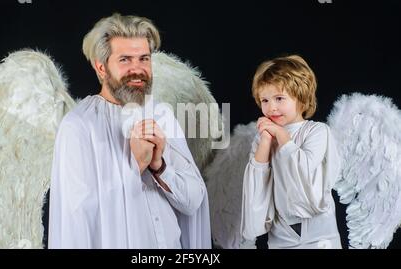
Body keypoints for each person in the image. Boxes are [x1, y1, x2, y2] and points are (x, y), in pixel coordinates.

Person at [48, 13, 211, 249]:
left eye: (144, 58)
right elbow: (78, 221)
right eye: (125, 60)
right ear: (101, 68)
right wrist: (135, 164)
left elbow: (194, 201)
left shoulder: (161, 114)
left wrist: (159, 167)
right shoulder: (79, 126)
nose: (138, 69)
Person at [240, 55, 342, 249]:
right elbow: (257, 180)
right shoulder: (263, 138)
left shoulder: (317, 131)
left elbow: (303, 170)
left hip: (319, 234)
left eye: (279, 98)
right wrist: (266, 140)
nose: (271, 107)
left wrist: (281, 134)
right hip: (282, 236)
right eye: (265, 100)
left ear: (301, 96)